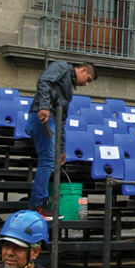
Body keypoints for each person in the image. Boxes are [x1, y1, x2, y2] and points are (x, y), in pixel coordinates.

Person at [27, 61, 96, 217]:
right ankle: (38, 204)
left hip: (51, 119)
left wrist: (61, 148)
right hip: (43, 117)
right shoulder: (63, 67)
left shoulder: (68, 89)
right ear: (82, 70)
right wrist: (44, 106)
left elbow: (62, 119)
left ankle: (38, 202)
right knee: (47, 160)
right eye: (88, 79)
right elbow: (44, 80)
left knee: (48, 160)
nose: (86, 84)